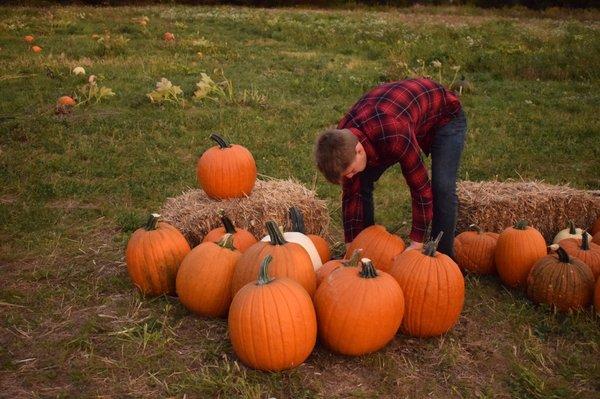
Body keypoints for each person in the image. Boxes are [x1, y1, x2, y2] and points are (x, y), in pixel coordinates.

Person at [314, 77, 466, 257]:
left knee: (442, 187)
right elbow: (350, 196)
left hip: (444, 116)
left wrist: (417, 241)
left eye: (351, 171)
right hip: (399, 115)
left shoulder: (393, 133)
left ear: (359, 150)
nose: (349, 176)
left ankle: (442, 255)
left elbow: (420, 188)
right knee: (359, 183)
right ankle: (367, 247)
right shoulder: (342, 140)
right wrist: (351, 245)